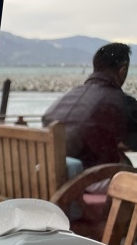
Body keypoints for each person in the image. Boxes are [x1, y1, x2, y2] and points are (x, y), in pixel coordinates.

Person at [42, 42, 137, 170]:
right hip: (83, 180)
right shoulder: (122, 102)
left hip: (49, 172)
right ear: (122, 71)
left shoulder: (71, 94)